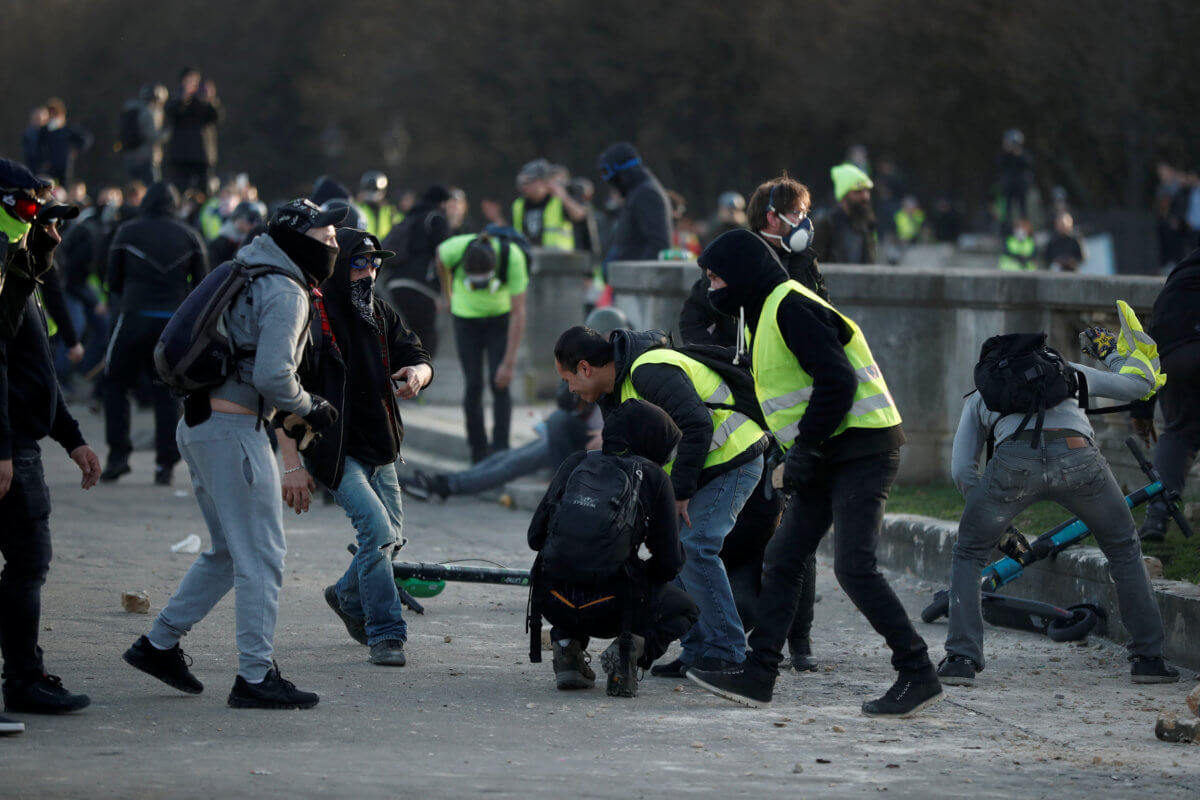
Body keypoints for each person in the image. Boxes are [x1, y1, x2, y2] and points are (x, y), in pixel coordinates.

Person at [685, 229, 939, 717]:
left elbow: (837, 380)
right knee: (782, 559)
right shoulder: (762, 316)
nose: (710, 288)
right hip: (830, 451)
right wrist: (798, 451)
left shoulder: (788, 305)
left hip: (863, 447)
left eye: (715, 278)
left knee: (854, 567)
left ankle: (918, 673)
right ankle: (759, 676)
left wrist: (805, 448)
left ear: (739, 274)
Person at [122, 199, 346, 710]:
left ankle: (157, 644)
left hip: (202, 426)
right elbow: (271, 375)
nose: (334, 243)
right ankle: (254, 675)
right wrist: (311, 407)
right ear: (299, 239)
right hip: (233, 431)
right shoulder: (285, 289)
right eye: (327, 236)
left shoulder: (250, 268)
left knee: (227, 552)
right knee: (263, 557)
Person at [938, 317, 1178, 687]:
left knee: (969, 554)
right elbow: (1141, 385)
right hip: (1079, 457)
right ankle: (1149, 659)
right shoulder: (1068, 373)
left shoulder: (983, 393)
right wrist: (1111, 354)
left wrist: (999, 526)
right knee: (1123, 548)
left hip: (1011, 466)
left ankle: (960, 660)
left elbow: (962, 471)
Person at [553, 325, 769, 674]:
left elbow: (698, 424)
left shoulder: (647, 370)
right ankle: (697, 649)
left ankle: (729, 651)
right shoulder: (619, 390)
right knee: (675, 550)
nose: (571, 390)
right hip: (703, 470)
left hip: (734, 460)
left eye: (568, 380)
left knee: (696, 545)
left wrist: (679, 494)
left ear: (584, 368)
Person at [676, 175, 824, 673]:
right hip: (748, 412)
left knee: (797, 530)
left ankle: (797, 640)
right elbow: (693, 317)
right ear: (773, 217)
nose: (806, 223)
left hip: (790, 418)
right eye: (799, 214)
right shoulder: (733, 258)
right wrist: (724, 361)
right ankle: (723, 631)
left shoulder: (802, 267)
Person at [281, 228, 432, 667]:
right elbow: (285, 393)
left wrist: (418, 375)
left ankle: (346, 595)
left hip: (380, 444)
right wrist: (292, 464)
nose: (369, 272)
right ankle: (385, 632)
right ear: (339, 265)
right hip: (332, 448)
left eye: (374, 264)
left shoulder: (380, 313)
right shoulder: (311, 315)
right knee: (378, 532)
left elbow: (417, 353)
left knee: (392, 538)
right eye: (359, 263)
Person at [0, 166, 101, 728]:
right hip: (9, 443)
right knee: (28, 562)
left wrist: (72, 438)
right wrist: (3, 447)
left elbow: (33, 372)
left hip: (21, 438)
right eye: (41, 215)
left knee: (27, 563)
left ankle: (24, 677)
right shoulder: (4, 264)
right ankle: (23, 680)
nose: (54, 233)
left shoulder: (22, 271)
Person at [528, 399, 698, 697]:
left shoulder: (576, 462)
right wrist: (639, 572)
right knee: (685, 609)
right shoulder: (654, 477)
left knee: (572, 566)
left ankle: (567, 650)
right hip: (613, 608)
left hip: (552, 600)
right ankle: (627, 652)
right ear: (652, 440)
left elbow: (535, 537)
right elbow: (669, 563)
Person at [101, 183, 209, 485]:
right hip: (172, 325)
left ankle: (117, 456)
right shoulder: (189, 235)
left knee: (114, 385)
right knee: (168, 391)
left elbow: (113, 282)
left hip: (133, 317)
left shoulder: (127, 232)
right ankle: (165, 465)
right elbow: (203, 286)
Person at [436, 232, 528, 464]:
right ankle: (478, 451)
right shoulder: (454, 248)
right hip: (465, 319)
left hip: (500, 317)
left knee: (500, 384)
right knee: (473, 384)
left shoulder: (512, 257)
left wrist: (509, 363)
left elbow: (519, 313)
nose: (480, 286)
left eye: (484, 281)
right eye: (474, 281)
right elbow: (439, 257)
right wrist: (447, 295)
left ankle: (501, 451)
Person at [1135, 247, 1200, 541]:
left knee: (1178, 434)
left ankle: (1157, 516)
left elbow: (1150, 340)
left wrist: (1142, 409)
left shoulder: (1181, 276)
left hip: (1173, 359)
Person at [381, 185, 452, 359]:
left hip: (395, 285)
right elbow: (445, 255)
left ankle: (405, 376)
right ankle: (415, 381)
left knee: (411, 336)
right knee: (427, 340)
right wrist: (447, 294)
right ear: (442, 203)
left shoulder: (409, 217)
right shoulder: (436, 218)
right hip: (420, 286)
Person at [597, 142, 672, 263]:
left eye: (609, 174)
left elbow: (658, 245)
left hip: (636, 280)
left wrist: (635, 275)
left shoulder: (646, 194)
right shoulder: (638, 193)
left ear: (622, 173)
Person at [165, 69, 221, 193]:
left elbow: (216, 117)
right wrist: (183, 98)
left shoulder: (203, 102)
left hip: (203, 156)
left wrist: (210, 99)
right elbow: (171, 114)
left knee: (205, 190)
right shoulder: (176, 100)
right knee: (179, 190)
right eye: (189, 81)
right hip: (181, 156)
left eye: (195, 82)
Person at [512, 159, 584, 250]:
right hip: (530, 256)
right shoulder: (519, 204)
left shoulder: (557, 201)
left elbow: (579, 215)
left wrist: (563, 197)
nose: (524, 187)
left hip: (558, 258)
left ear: (542, 182)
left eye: (528, 182)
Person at [814, 163, 877, 265]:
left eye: (867, 191)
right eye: (858, 191)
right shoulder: (826, 224)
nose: (865, 196)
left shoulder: (867, 225)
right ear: (844, 195)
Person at [120, 84, 170, 186]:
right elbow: (153, 136)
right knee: (153, 189)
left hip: (130, 157)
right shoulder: (150, 112)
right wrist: (168, 133)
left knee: (135, 189)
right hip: (147, 158)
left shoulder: (131, 109)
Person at [41, 98, 92, 188]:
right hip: (49, 168)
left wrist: (75, 150)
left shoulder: (68, 130)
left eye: (55, 114)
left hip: (64, 168)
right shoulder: (44, 131)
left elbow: (86, 138)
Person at [994, 129, 1033, 230]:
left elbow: (1029, 165)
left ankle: (1025, 228)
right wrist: (1007, 153)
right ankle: (1005, 228)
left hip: (1021, 186)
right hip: (1008, 186)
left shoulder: (1023, 155)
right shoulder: (1004, 155)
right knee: (1007, 209)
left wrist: (1018, 154)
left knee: (1023, 209)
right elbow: (999, 165)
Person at [208, 201, 264, 267]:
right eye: (251, 219)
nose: (255, 224)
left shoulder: (255, 240)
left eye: (258, 220)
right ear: (237, 218)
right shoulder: (218, 244)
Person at [356, 171, 400, 240]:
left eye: (374, 189)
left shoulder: (391, 211)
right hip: (365, 248)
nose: (371, 193)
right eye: (369, 189)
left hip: (385, 248)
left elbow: (399, 230)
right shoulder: (357, 208)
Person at [21, 107, 48, 174]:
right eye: (37, 119)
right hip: (32, 165)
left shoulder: (48, 133)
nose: (39, 121)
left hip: (46, 166)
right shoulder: (29, 133)